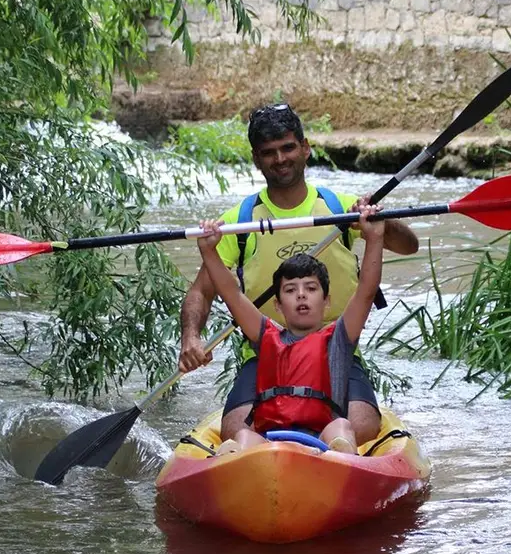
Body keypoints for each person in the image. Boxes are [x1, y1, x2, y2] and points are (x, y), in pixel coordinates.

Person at [178, 103, 419, 444]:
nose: (280, 159)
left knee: (363, 427)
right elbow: (201, 291)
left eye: (288, 147)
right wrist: (191, 337)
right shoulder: (240, 221)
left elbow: (409, 246)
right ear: (256, 159)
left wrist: (376, 223)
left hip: (337, 348)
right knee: (234, 432)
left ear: (305, 149)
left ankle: (324, 444)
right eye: (269, 153)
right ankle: (278, 448)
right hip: (266, 351)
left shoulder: (339, 207)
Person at [194, 202, 385, 454]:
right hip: (270, 441)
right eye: (291, 290)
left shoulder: (339, 337)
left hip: (323, 438)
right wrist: (209, 252)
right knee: (242, 434)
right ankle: (233, 464)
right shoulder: (265, 336)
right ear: (278, 304)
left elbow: (366, 291)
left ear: (326, 301)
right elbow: (231, 293)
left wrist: (375, 237)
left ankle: (341, 460)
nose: (301, 296)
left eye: (311, 288)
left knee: (341, 425)